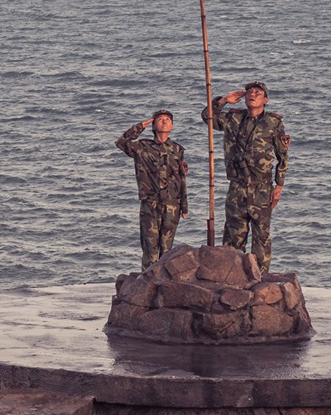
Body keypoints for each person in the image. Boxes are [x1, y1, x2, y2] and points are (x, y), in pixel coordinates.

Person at [202, 81, 290, 272]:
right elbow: (207, 117)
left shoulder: (273, 123)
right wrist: (224, 100)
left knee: (261, 236)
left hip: (261, 187)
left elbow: (282, 156)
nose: (252, 94)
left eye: (258, 92)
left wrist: (279, 186)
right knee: (234, 235)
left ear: (265, 100)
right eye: (249, 91)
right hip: (237, 186)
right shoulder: (233, 118)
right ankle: (231, 276)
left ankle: (259, 277)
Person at [116, 110, 189, 269]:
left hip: (172, 204)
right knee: (150, 246)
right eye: (160, 119)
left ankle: (163, 283)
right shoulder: (142, 147)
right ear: (154, 125)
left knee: (167, 247)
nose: (165, 121)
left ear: (172, 125)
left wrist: (184, 206)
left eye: (168, 119)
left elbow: (181, 178)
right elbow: (121, 142)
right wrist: (140, 126)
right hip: (150, 203)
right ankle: (147, 282)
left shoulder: (177, 149)